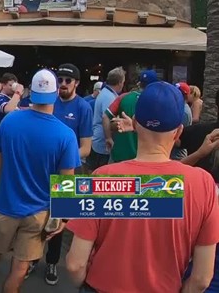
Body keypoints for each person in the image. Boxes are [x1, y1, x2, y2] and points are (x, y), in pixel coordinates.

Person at [66, 81, 219, 292]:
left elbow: (75, 264)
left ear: (136, 123)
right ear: (178, 131)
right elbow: (202, 278)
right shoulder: (204, 185)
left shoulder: (103, 178)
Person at [0, 69, 79, 293]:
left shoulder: (10, 121)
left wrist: (3, 186)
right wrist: (63, 217)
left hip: (7, 202)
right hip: (39, 211)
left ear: (31, 92)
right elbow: (66, 181)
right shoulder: (65, 135)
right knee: (20, 265)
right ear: (56, 93)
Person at [31, 63, 93, 285]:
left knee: (57, 220)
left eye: (68, 80)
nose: (64, 84)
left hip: (66, 171)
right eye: (61, 80)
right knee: (37, 216)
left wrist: (63, 157)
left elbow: (86, 147)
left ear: (76, 83)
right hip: (44, 169)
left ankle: (52, 262)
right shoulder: (49, 101)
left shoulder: (83, 107)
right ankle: (31, 258)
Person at [103, 70, 159, 163]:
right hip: (144, 157)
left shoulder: (124, 97)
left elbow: (105, 116)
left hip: (120, 155)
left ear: (139, 83)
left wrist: (108, 138)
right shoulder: (157, 102)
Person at [90, 66, 125, 171]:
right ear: (119, 82)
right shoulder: (109, 97)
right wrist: (109, 138)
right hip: (103, 144)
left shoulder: (104, 93)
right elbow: (107, 118)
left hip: (98, 141)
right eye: (123, 82)